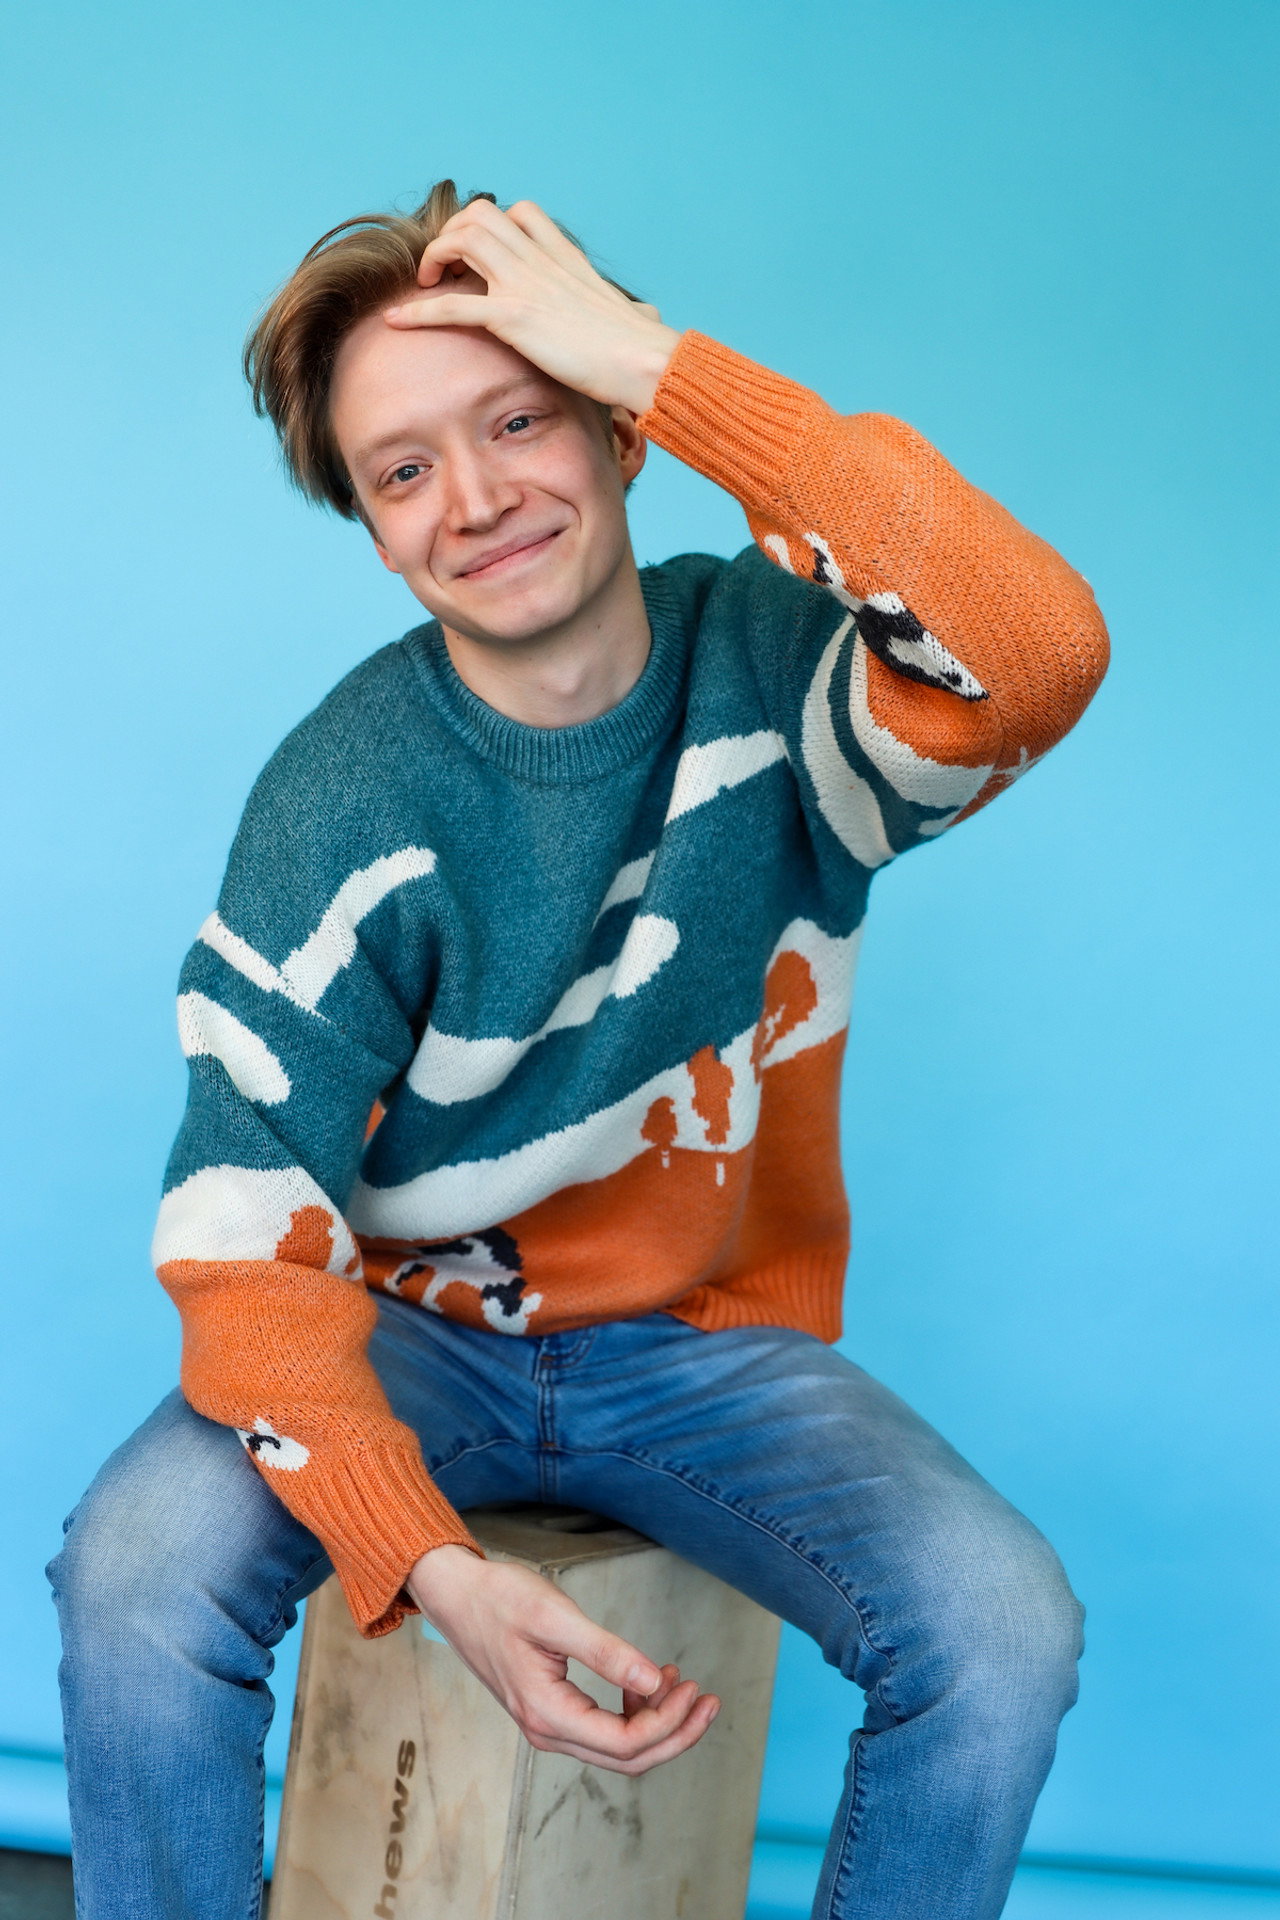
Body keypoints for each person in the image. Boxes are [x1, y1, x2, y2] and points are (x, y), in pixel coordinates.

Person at [47, 179, 1109, 1920]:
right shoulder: (340, 800)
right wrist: (434, 1569)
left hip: (699, 1349)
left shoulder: (785, 684)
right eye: (403, 471)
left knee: (1004, 1627)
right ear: (375, 532)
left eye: (521, 418)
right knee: (135, 1571)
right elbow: (243, 1247)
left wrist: (661, 362)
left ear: (620, 430)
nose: (474, 500)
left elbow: (1040, 649)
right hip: (407, 1336)